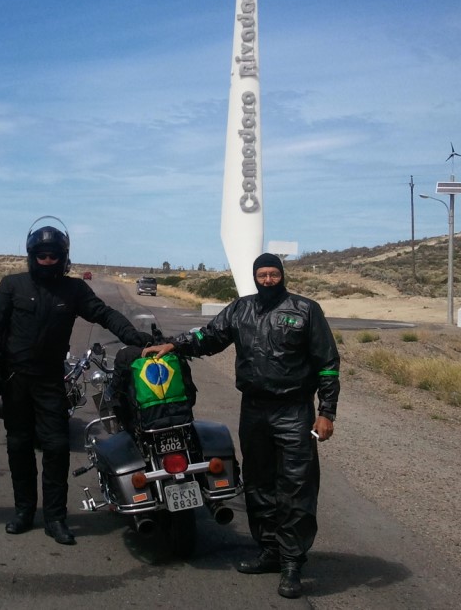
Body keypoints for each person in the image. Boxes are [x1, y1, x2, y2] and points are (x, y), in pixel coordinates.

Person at [142, 253, 339, 599]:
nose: (267, 280)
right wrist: (176, 344)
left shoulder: (306, 310)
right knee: (258, 484)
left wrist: (327, 412)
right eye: (262, 275)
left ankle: (292, 561)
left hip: (294, 412)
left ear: (282, 275)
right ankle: (269, 552)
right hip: (254, 410)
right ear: (254, 277)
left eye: (273, 274)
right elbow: (210, 336)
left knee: (296, 485)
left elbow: (327, 364)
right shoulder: (240, 309)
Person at [0, 223, 152, 545]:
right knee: (19, 447)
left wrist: (135, 337)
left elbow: (103, 314)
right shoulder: (11, 285)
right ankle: (23, 511)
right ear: (32, 255)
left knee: (57, 448)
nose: (47, 260)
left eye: (53, 255)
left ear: (63, 257)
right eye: (41, 255)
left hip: (50, 380)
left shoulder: (73, 290)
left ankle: (55, 518)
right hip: (15, 379)